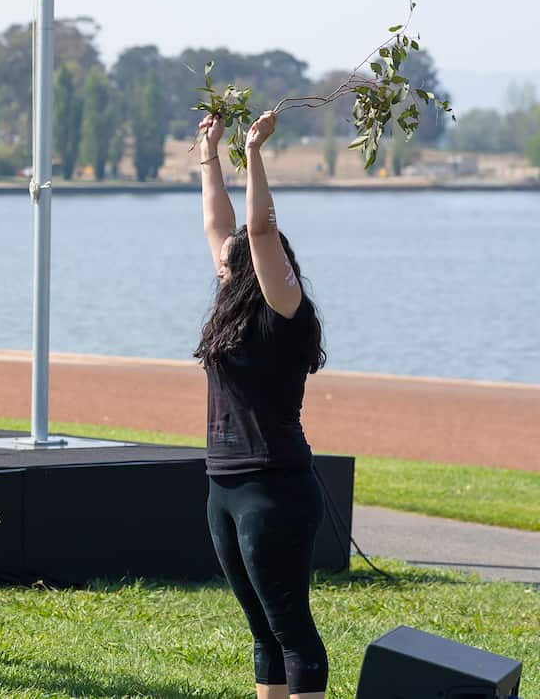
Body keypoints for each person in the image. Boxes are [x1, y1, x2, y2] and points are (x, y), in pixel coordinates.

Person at [196, 111, 329, 699]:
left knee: (291, 630)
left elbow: (258, 231)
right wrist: (208, 152)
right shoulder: (234, 303)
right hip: (223, 485)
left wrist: (252, 154)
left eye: (234, 251)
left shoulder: (284, 307)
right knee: (261, 633)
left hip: (274, 487)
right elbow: (217, 223)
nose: (221, 252)